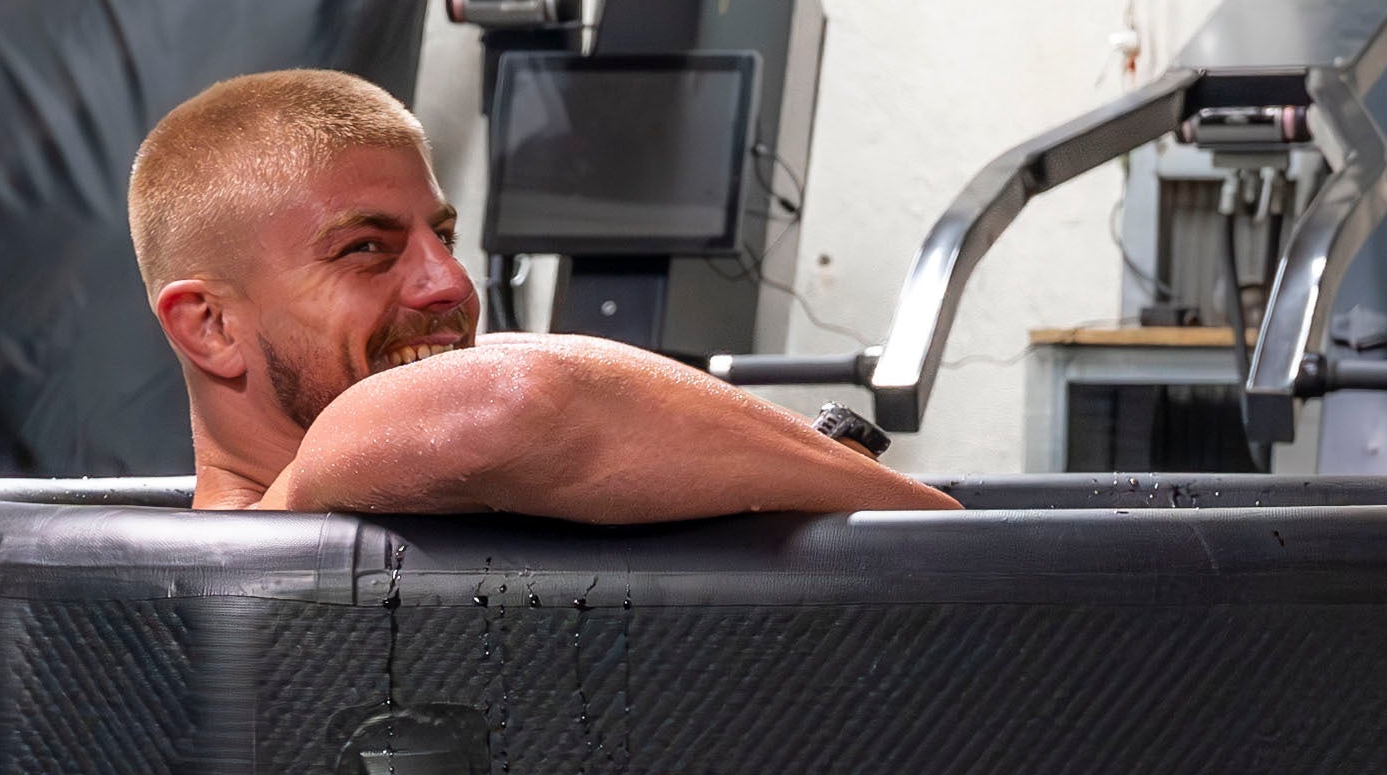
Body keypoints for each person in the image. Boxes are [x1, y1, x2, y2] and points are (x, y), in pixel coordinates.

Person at [129, 69, 956, 520]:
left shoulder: (432, 491)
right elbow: (515, 399)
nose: (449, 281)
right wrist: (928, 528)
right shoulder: (291, 506)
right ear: (207, 326)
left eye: (442, 237)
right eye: (365, 249)